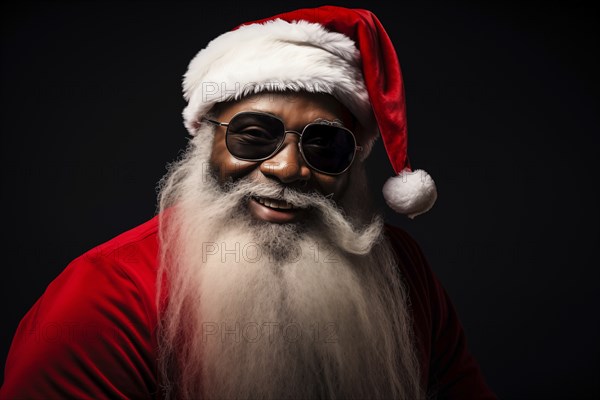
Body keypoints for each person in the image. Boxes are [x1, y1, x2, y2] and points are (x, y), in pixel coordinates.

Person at [0, 5, 496, 400]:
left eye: (325, 146)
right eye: (254, 135)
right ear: (204, 142)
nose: (288, 169)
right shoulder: (102, 298)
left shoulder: (401, 270)